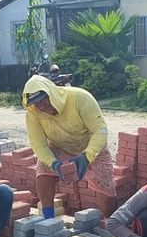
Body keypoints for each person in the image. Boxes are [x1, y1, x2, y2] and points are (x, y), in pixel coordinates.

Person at [22, 75, 116, 219]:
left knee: (106, 186)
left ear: (52, 93)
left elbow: (100, 130)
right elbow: (39, 145)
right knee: (42, 170)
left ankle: (109, 222)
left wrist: (87, 156)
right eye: (36, 103)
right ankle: (48, 218)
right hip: (59, 147)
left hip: (91, 146)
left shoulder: (80, 98)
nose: (42, 106)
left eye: (43, 99)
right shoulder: (33, 113)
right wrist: (53, 163)